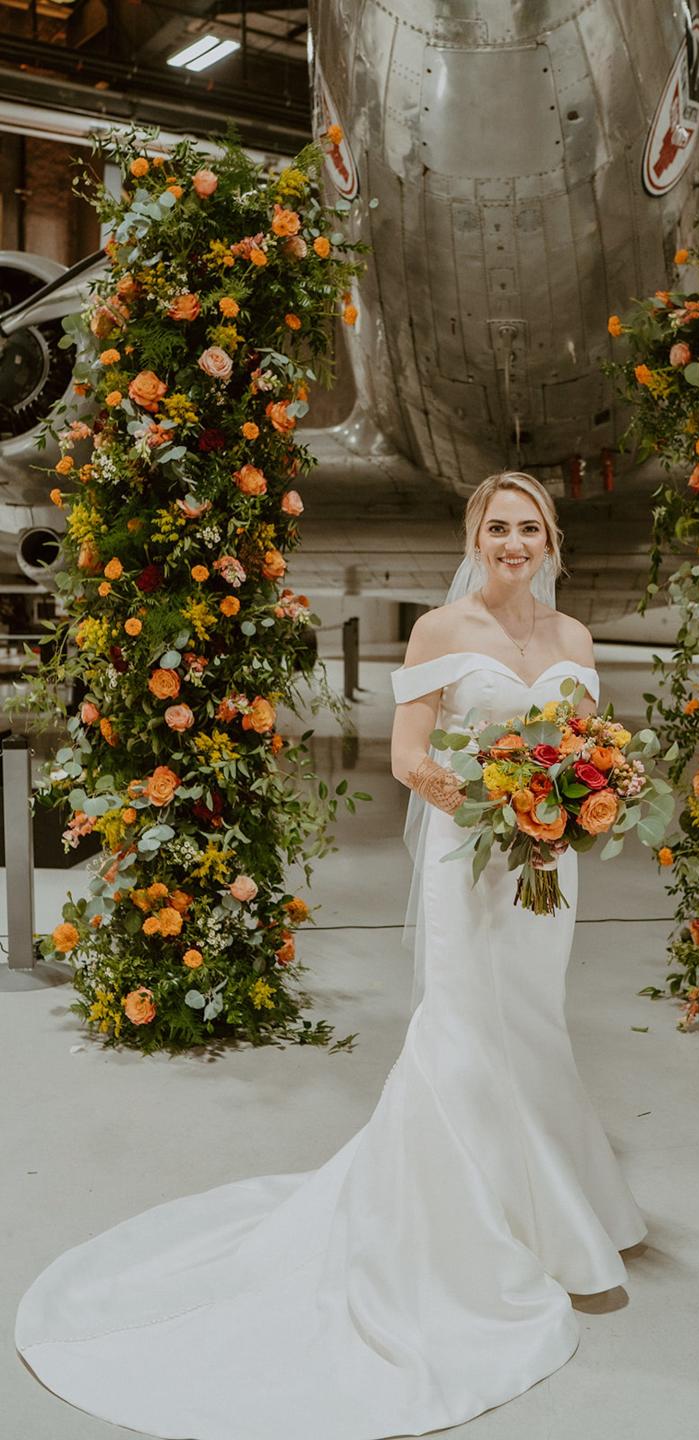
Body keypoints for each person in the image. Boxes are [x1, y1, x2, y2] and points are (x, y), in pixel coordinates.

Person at [15, 471, 646, 1440]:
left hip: (548, 868)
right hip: (471, 854)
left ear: (552, 540)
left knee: (537, 1027)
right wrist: (501, 803)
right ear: (474, 540)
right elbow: (407, 758)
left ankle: (547, 1210)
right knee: (466, 1035)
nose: (513, 542)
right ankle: (464, 1239)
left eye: (529, 527)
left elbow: (588, 743)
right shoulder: (443, 635)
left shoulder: (574, 642)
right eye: (497, 527)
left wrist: (567, 804)